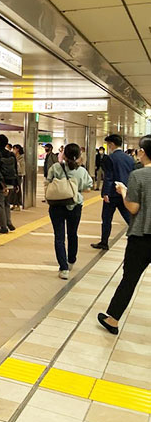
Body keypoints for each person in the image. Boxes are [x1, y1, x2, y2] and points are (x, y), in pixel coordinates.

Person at [98, 135, 151, 335]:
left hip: (141, 237)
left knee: (129, 278)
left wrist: (123, 191)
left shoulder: (138, 175)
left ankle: (112, 320)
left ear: (143, 152)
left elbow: (133, 208)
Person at [46, 143, 93, 279]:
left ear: (64, 155)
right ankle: (71, 260)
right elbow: (88, 187)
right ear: (79, 156)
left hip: (56, 206)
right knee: (72, 234)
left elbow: (48, 182)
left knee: (59, 237)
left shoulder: (55, 168)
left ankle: (63, 268)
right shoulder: (82, 171)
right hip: (75, 205)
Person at [91, 134, 134, 251]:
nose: (108, 147)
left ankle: (104, 242)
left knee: (106, 218)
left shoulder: (110, 158)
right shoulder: (129, 158)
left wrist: (105, 193)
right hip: (125, 192)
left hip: (112, 193)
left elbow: (108, 177)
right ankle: (138, 236)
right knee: (128, 217)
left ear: (112, 144)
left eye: (108, 144)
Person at [0, 134, 18, 234]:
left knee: (0, 205)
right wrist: (16, 184)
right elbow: (15, 169)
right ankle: (9, 222)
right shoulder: (12, 155)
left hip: (0, 183)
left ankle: (3, 226)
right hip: (11, 182)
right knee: (7, 203)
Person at [11, 144, 25, 210]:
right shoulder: (16, 157)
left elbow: (21, 167)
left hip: (19, 175)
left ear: (18, 149)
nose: (13, 150)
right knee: (13, 190)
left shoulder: (22, 157)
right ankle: (14, 204)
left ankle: (18, 205)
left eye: (14, 149)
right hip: (14, 174)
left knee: (17, 189)